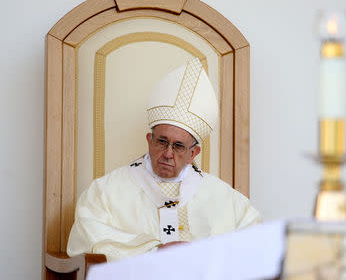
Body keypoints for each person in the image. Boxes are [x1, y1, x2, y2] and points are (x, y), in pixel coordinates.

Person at [67, 58, 261, 261]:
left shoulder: (226, 199)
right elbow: (86, 241)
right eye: (162, 142)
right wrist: (154, 252)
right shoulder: (105, 192)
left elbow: (256, 247)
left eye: (178, 146)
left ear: (193, 153)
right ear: (149, 140)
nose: (168, 153)